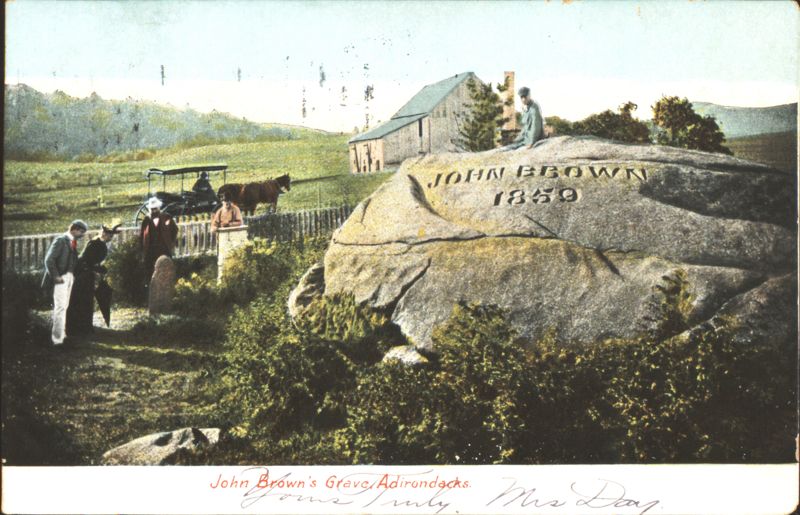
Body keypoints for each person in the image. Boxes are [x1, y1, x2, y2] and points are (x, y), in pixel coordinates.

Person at [66, 223, 122, 336]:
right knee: (82, 300)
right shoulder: (94, 243)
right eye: (109, 235)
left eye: (112, 236)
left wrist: (99, 268)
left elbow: (93, 261)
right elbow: (85, 261)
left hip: (88, 274)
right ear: (103, 233)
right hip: (81, 274)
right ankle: (78, 329)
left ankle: (85, 327)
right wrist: (98, 268)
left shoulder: (101, 244)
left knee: (87, 300)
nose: (110, 238)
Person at [42, 220, 88, 346]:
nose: (82, 235)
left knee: (64, 307)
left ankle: (62, 335)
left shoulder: (72, 242)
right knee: (60, 308)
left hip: (69, 277)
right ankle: (57, 340)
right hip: (60, 278)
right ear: (74, 228)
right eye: (81, 232)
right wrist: (56, 276)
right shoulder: (61, 240)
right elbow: (49, 260)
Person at [140, 197, 178, 282]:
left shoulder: (166, 217)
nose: (154, 211)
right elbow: (142, 235)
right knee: (150, 270)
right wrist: (142, 250)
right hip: (150, 250)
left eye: (155, 209)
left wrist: (171, 242)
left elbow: (174, 230)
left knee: (165, 269)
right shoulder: (146, 220)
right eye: (152, 209)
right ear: (149, 209)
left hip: (164, 249)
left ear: (159, 208)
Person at [505, 86, 544, 150]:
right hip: (525, 140)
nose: (523, 99)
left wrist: (531, 143)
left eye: (525, 97)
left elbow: (535, 127)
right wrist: (516, 140)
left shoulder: (534, 108)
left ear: (529, 95)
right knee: (506, 149)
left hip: (534, 141)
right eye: (521, 97)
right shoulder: (526, 109)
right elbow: (525, 129)